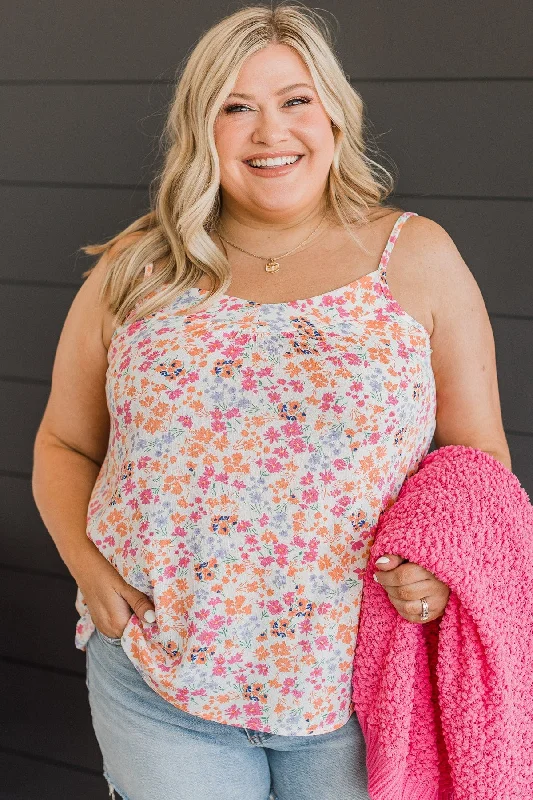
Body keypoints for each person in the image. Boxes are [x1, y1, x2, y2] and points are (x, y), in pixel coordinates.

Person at [31, 4, 511, 800]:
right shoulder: (137, 266)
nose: (269, 131)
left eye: (293, 99)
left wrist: (437, 562)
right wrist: (87, 569)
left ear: (332, 112)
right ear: (201, 126)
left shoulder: (416, 256)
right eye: (235, 106)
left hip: (357, 689)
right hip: (163, 680)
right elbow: (62, 444)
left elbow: (476, 459)